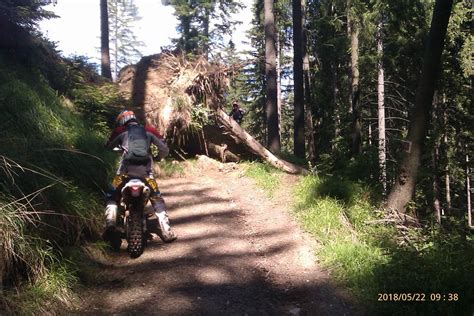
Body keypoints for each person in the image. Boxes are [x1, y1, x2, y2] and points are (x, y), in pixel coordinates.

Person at [103, 110, 177, 243]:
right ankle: (167, 231)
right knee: (156, 198)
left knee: (111, 195)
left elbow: (107, 147)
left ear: (122, 121)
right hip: (146, 173)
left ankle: (110, 225)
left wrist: (117, 150)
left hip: (124, 173)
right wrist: (158, 157)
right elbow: (164, 149)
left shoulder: (120, 131)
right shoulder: (149, 130)